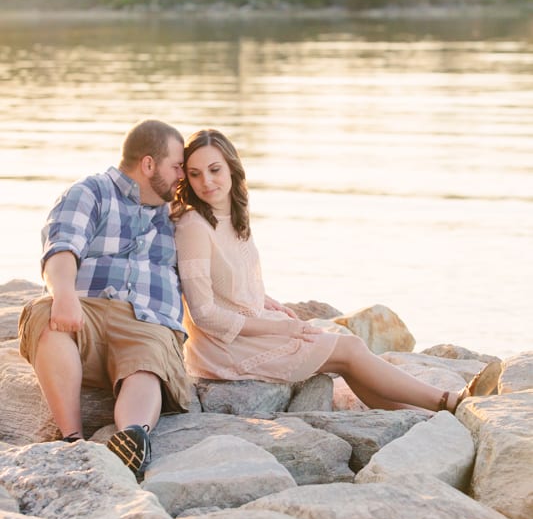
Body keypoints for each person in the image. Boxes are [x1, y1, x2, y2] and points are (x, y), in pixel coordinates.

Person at [171, 128, 500, 414]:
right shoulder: (194, 227)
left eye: (214, 170)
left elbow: (228, 279)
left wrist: (265, 300)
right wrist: (282, 331)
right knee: (350, 349)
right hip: (225, 348)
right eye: (196, 174)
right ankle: (451, 400)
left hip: (251, 328)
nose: (206, 182)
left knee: (346, 357)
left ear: (231, 168)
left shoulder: (233, 213)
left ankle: (425, 416)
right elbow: (204, 314)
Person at [19, 119, 191, 475]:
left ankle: (132, 437)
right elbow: (61, 247)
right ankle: (72, 439)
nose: (182, 176)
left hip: (148, 321)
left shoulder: (178, 214)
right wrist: (64, 295)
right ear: (148, 164)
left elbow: (212, 268)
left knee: (148, 361)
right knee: (43, 315)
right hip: (88, 314)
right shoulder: (91, 192)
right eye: (176, 166)